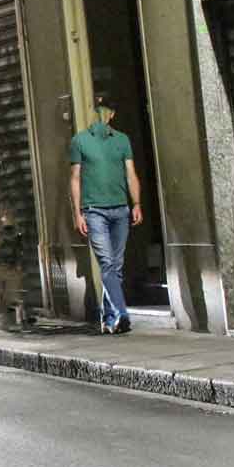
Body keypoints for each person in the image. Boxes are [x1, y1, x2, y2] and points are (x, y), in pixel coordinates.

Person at [69, 95, 143, 335]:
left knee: (116, 267)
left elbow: (130, 173)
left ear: (112, 115)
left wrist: (136, 203)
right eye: (99, 109)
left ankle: (109, 319)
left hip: (121, 210)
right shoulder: (80, 140)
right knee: (107, 264)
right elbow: (75, 179)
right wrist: (77, 213)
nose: (103, 114)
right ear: (95, 113)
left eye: (107, 110)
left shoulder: (122, 140)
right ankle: (122, 313)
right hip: (94, 212)